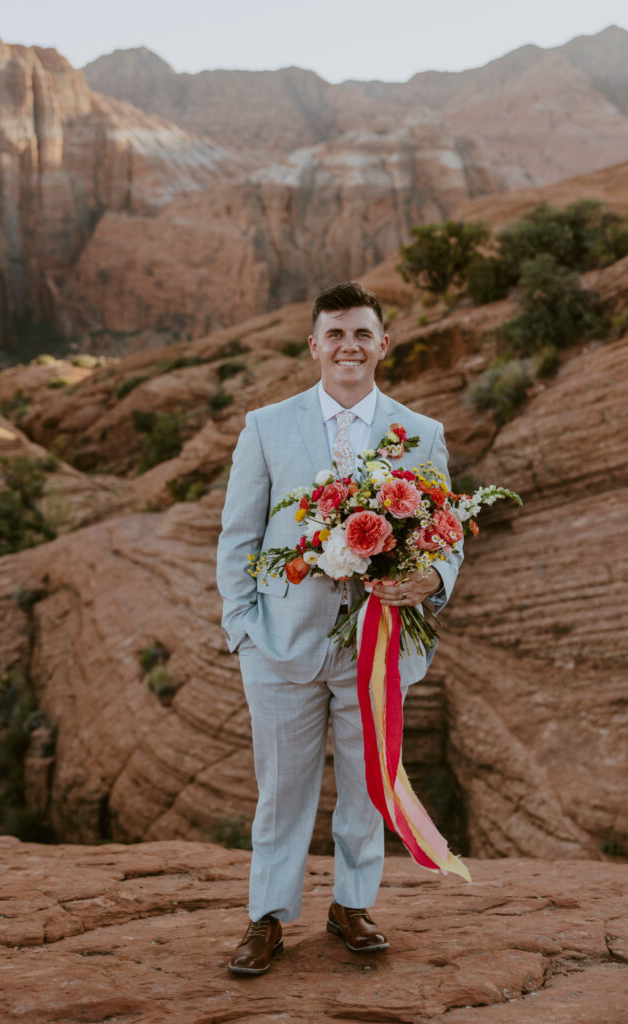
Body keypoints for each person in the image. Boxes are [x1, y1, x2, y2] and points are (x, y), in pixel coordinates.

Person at [216, 281, 463, 975]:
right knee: (281, 790)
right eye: (335, 334)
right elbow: (237, 535)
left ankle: (351, 905)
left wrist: (431, 580)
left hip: (380, 645)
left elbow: (445, 535)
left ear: (382, 344)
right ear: (314, 345)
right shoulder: (266, 426)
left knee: (365, 785)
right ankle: (266, 917)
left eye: (361, 334)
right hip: (279, 644)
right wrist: (242, 629)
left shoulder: (421, 434)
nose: (348, 346)